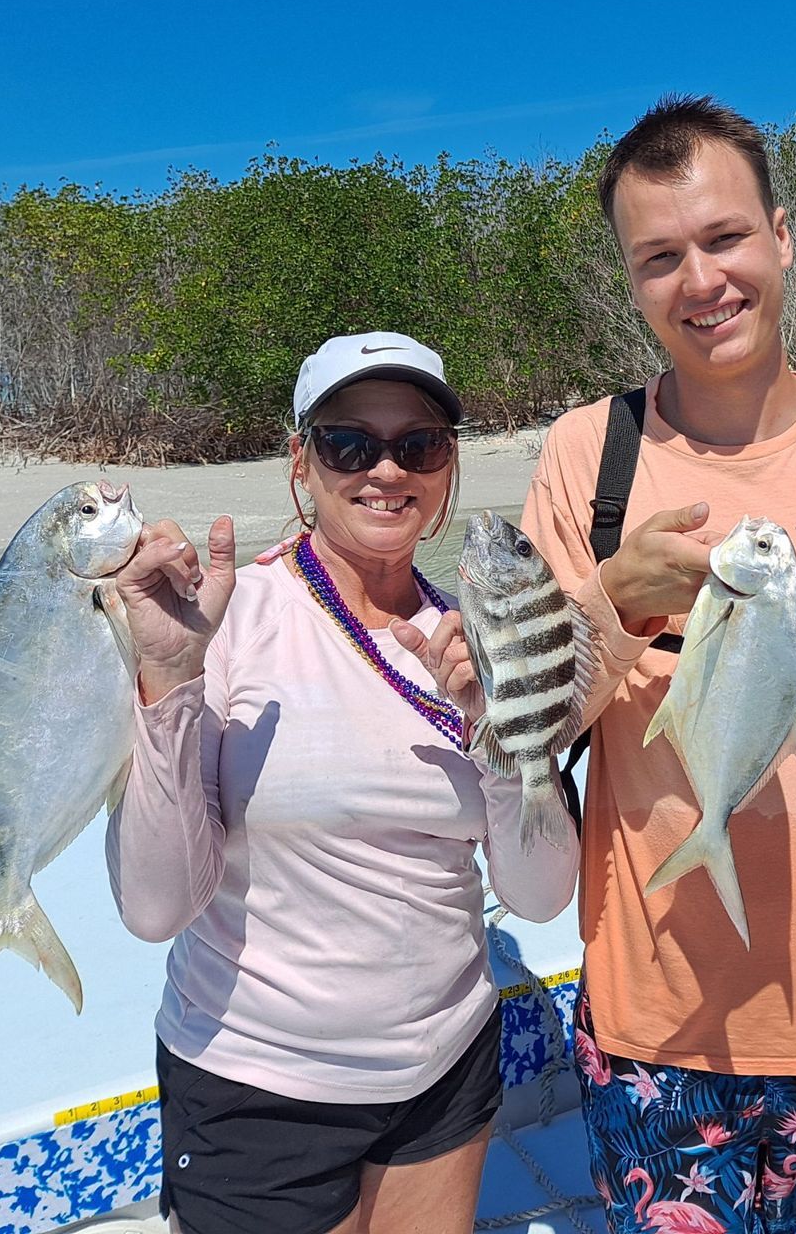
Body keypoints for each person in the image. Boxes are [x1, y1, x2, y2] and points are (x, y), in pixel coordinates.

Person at [402, 95, 796, 1233]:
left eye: (725, 238)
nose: (702, 280)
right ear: (631, 283)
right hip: (656, 1023)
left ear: (781, 237)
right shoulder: (590, 456)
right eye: (660, 257)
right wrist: (610, 604)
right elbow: (531, 723)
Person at [106, 333, 578, 1234]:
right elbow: (154, 907)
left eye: (419, 444)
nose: (386, 470)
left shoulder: (483, 635)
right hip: (259, 1082)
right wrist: (167, 683)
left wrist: (502, 736)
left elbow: (540, 895)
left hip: (446, 1070)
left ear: (446, 466)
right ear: (301, 461)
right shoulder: (222, 619)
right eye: (349, 443)